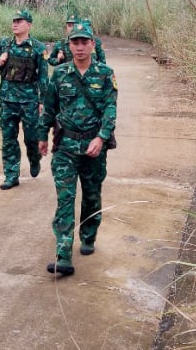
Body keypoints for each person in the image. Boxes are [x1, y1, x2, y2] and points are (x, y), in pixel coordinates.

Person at [38, 21, 117, 277]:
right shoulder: (60, 74)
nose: (80, 47)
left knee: (92, 195)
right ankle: (63, 255)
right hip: (66, 147)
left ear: (93, 45)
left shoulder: (105, 74)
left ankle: (89, 234)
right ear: (69, 45)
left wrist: (102, 138)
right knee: (65, 198)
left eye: (85, 42)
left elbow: (110, 110)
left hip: (94, 147)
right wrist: (42, 136)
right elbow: (49, 108)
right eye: (75, 42)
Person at [0, 8, 49, 190]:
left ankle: (34, 157)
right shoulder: (4, 44)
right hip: (8, 100)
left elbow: (43, 77)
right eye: (14, 21)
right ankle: (11, 174)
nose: (15, 24)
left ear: (29, 25)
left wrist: (42, 101)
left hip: (29, 100)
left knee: (31, 138)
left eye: (20, 21)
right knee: (9, 139)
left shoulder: (38, 48)